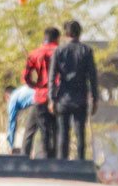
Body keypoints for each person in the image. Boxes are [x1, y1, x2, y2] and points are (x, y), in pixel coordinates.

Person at [48, 20, 98, 161]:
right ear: (79, 33)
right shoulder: (86, 51)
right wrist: (95, 99)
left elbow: (52, 77)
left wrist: (51, 99)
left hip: (63, 98)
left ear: (66, 34)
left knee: (63, 134)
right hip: (81, 98)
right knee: (80, 133)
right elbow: (92, 77)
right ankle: (80, 163)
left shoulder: (59, 51)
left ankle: (62, 165)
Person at [22, 27, 60, 159]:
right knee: (56, 130)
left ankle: (33, 158)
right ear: (57, 38)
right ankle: (53, 159)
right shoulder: (61, 52)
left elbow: (26, 77)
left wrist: (36, 86)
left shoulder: (34, 53)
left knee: (39, 130)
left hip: (40, 96)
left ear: (45, 38)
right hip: (57, 97)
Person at [6, 83, 36, 154]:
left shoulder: (12, 99)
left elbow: (11, 122)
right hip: (46, 97)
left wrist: (11, 144)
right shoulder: (22, 90)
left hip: (38, 101)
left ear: (7, 96)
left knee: (28, 133)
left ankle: (24, 156)